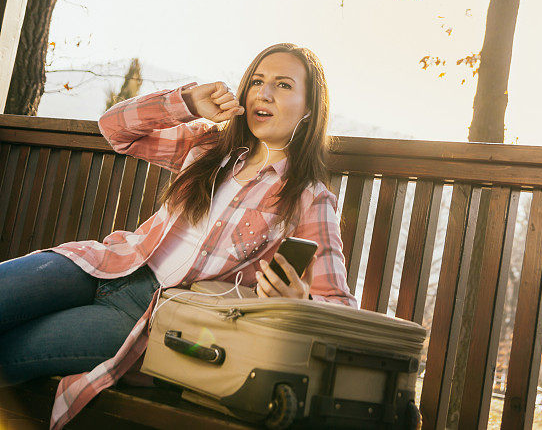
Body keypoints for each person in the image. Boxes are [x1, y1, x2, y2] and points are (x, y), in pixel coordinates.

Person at [0, 43, 357, 429]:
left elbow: (338, 305)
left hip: (147, 320)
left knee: (11, 352)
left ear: (309, 108)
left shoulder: (308, 198)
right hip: (104, 266)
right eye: (257, 81)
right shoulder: (208, 145)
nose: (264, 93)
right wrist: (185, 102)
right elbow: (114, 129)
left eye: (283, 85)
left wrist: (299, 303)